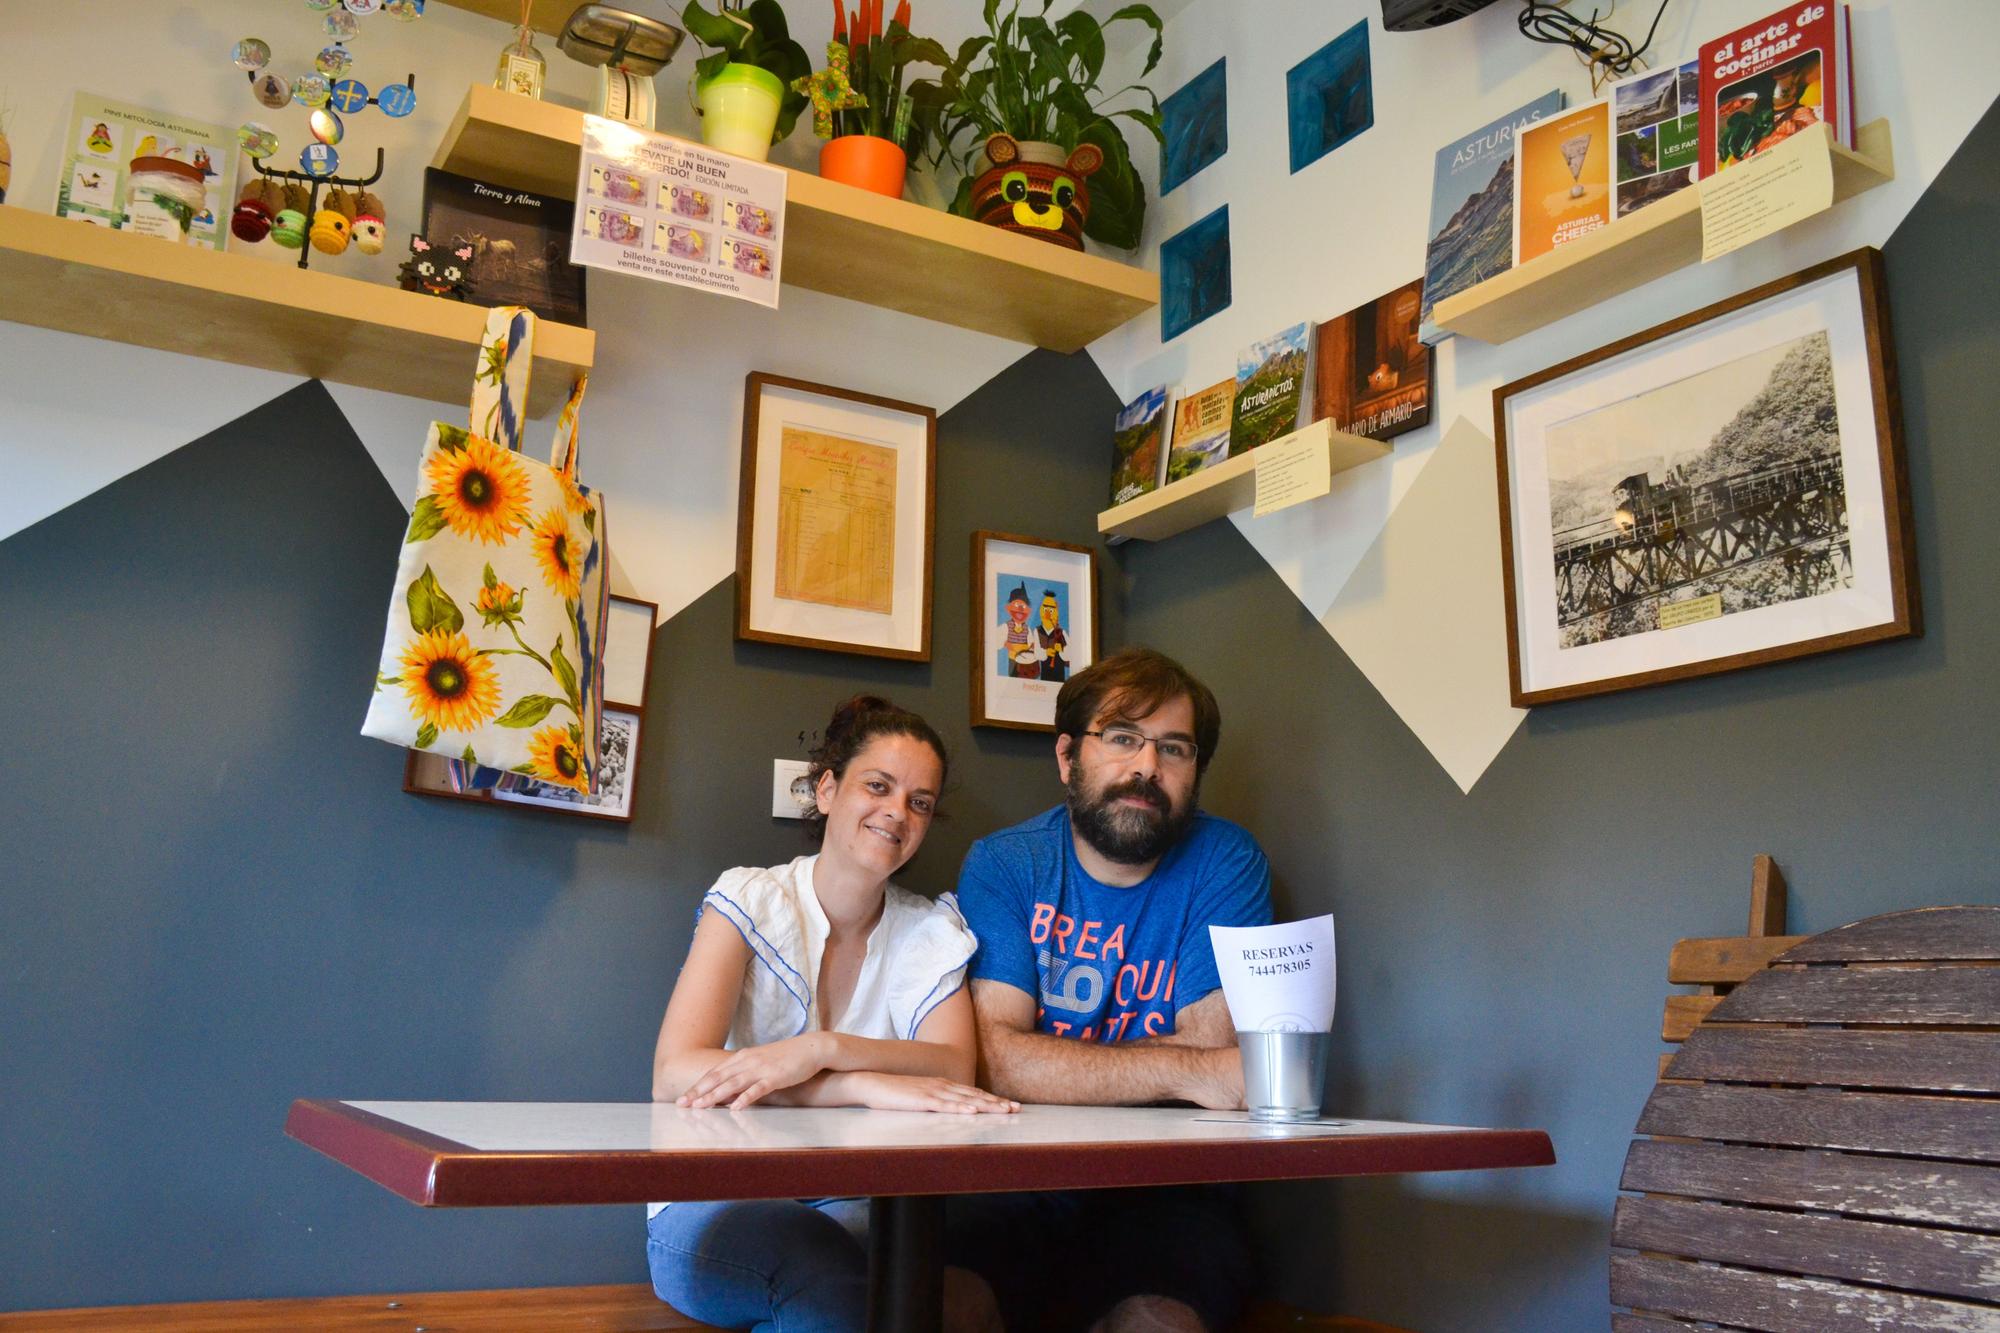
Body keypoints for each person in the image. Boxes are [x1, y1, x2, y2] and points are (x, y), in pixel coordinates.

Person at [647, 695, 1018, 1332]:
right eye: (878, 785)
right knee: (837, 1291)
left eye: (920, 801)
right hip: (714, 1200)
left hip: (854, 1199)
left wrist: (824, 1050)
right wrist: (860, 1087)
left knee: (967, 1300)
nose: (897, 812)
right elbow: (678, 1073)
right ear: (826, 790)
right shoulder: (748, 900)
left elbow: (955, 1065)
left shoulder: (930, 930)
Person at [946, 648, 1273, 1333]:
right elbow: (995, 1059)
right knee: (944, 1306)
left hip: (1173, 1195)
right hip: (1014, 1188)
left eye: (1174, 748)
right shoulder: (1006, 863)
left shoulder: (1226, 860)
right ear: (1068, 757)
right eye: (1122, 737)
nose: (1147, 767)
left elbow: (1217, 1046)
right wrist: (1188, 1070)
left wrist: (1055, 1063)